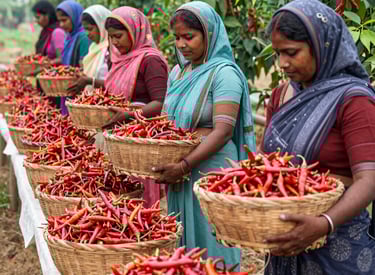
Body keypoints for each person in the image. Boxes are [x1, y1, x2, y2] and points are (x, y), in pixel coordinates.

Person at [261, 0, 375, 274]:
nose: (282, 64)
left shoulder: (354, 100)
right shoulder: (281, 96)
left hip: (339, 243)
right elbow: (266, 166)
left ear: (322, 46)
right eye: (277, 53)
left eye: (291, 52)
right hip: (284, 240)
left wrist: (324, 222)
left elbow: (369, 179)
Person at [152, 1, 256, 267]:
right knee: (183, 243)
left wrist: (184, 164)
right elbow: (168, 121)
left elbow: (221, 132)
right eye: (177, 38)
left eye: (190, 36)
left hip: (211, 170)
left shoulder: (225, 74)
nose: (182, 44)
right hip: (181, 168)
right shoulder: (178, 71)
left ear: (209, 34)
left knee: (213, 241)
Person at [102, 6, 169, 208]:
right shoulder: (119, 59)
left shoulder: (151, 61)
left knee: (139, 201)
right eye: (111, 37)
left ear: (135, 31)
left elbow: (160, 103)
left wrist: (130, 115)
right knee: (119, 192)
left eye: (119, 36)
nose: (114, 42)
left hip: (140, 137)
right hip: (121, 135)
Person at [56, 0, 90, 115]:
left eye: (64, 20)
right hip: (67, 88)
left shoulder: (84, 37)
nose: (61, 25)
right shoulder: (69, 37)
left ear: (75, 17)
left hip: (78, 89)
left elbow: (85, 66)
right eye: (59, 21)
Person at [67, 4, 111, 94]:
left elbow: (115, 84)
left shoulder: (111, 49)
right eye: (85, 29)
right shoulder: (93, 47)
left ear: (102, 25)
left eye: (90, 29)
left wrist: (90, 81)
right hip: (92, 102)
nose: (87, 33)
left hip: (107, 101)